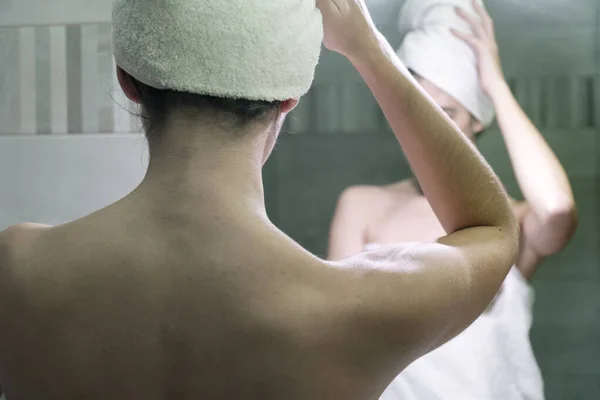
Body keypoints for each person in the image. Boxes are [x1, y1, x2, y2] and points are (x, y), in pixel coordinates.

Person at [0, 0, 518, 398]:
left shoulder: (17, 268)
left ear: (128, 81)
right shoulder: (353, 307)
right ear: (288, 97)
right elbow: (493, 229)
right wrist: (368, 50)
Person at [328, 0, 578, 399]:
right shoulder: (362, 206)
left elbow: (558, 209)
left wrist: (493, 83)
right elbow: (343, 332)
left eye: (449, 114)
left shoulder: (509, 221)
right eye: (421, 113)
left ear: (477, 119)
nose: (433, 132)